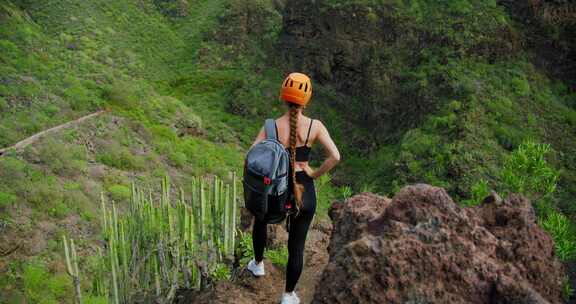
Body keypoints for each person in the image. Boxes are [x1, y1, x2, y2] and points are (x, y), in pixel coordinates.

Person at [246, 72, 341, 304]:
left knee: (260, 220)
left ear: (283, 97)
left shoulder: (271, 127)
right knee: (296, 245)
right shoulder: (315, 127)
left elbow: (250, 156)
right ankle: (288, 295)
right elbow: (335, 157)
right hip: (304, 191)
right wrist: (313, 173)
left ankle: (258, 265)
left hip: (275, 190)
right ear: (306, 100)